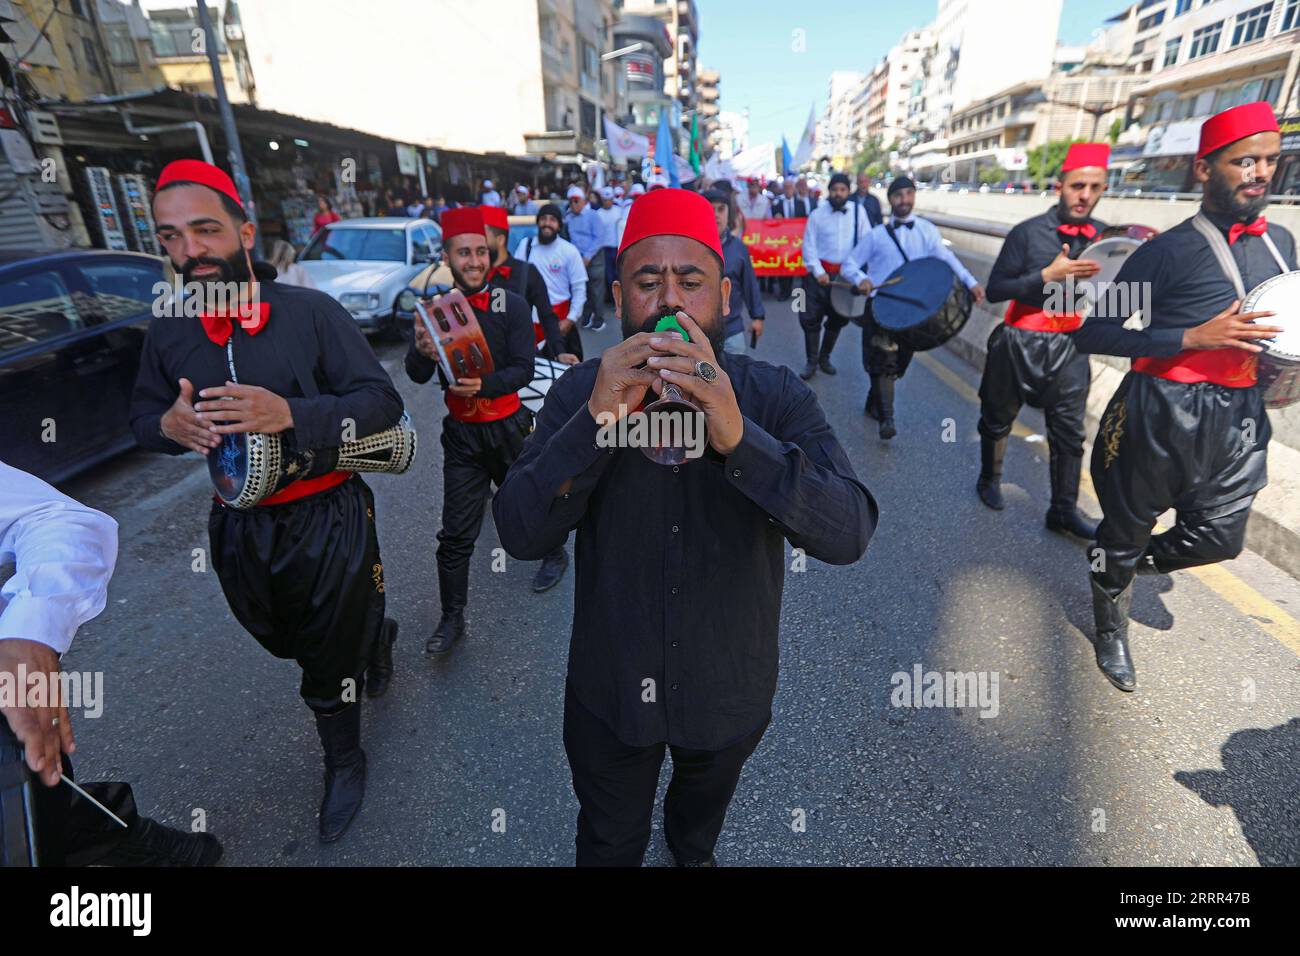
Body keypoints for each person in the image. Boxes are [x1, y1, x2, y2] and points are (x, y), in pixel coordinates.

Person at [492, 187, 877, 866]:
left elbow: (847, 532)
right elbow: (522, 533)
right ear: (619, 298)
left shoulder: (773, 396)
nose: (670, 300)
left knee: (695, 834)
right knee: (609, 842)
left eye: (690, 281)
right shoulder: (579, 391)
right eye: (648, 280)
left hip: (726, 691)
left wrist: (740, 437)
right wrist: (596, 424)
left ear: (724, 298)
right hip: (611, 692)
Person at [129, 159, 404, 843]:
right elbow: (139, 416)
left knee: (322, 655)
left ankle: (344, 759)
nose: (190, 252)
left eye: (204, 230)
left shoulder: (311, 313)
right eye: (171, 237)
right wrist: (166, 427)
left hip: (328, 515)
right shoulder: (167, 329)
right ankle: (375, 633)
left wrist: (292, 413)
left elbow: (380, 402)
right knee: (280, 635)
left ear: (245, 231)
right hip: (239, 523)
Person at [1073, 103, 1293, 692]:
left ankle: (1117, 563)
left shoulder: (1283, 246)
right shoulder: (1166, 252)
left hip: (1241, 415)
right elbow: (1094, 331)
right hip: (1161, 407)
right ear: (1204, 168)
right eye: (1244, 160)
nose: (1260, 172)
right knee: (1126, 526)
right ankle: (1111, 623)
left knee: (1220, 537)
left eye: (1270, 160)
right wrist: (1189, 337)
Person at [0, 461, 224, 866]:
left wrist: (30, 630)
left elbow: (53, 519)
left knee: (43, 805)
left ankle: (135, 839)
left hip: (12, 713)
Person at [405, 208, 535, 658]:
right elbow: (416, 374)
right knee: (456, 534)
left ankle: (554, 552)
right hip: (462, 435)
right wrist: (422, 353)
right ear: (448, 258)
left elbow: (525, 369)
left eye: (481, 251)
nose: (475, 260)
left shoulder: (511, 305)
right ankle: (452, 617)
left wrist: (486, 384)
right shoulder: (433, 312)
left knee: (530, 505)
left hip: (509, 428)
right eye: (465, 253)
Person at [975, 143, 1110, 542]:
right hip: (1019, 340)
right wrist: (1045, 277)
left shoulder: (1105, 238)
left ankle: (1063, 510)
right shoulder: (1027, 233)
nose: (1085, 195)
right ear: (1060, 186)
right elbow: (996, 289)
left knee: (1069, 433)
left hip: (1070, 346)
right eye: (1077, 186)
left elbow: (1121, 296)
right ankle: (989, 479)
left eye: (1095, 187)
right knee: (997, 418)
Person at [842, 177, 985, 440]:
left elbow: (947, 259)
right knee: (883, 359)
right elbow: (849, 264)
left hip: (913, 310)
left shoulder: (927, 230)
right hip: (882, 307)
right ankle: (887, 419)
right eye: (899, 195)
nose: (904, 200)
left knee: (898, 365)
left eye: (909, 194)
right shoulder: (875, 236)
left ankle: (876, 400)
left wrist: (971, 282)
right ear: (890, 199)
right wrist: (861, 279)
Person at [481, 204, 576, 366]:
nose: (478, 245)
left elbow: (547, 315)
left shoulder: (526, 272)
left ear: (500, 240)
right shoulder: (477, 274)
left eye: (483, 238)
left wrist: (560, 352)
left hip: (520, 363)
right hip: (484, 362)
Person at [799, 172, 872, 380]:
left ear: (848, 191)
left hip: (844, 279)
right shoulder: (817, 215)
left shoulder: (859, 212)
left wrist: (858, 275)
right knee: (810, 318)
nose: (838, 193)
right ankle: (811, 362)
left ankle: (825, 358)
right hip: (818, 278)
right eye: (834, 189)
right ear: (828, 191)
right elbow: (809, 246)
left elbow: (867, 244)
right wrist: (818, 271)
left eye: (842, 189)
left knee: (837, 318)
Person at [515, 201, 588, 364]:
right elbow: (515, 282)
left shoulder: (569, 250)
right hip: (529, 324)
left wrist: (570, 319)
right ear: (538, 221)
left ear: (559, 225)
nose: (547, 223)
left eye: (552, 220)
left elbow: (579, 289)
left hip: (560, 323)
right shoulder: (525, 247)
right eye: (544, 218)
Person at [704, 186, 765, 355]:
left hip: (732, 331)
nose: (716, 214)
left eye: (721, 209)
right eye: (710, 209)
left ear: (728, 212)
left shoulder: (738, 249)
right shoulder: (691, 248)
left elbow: (749, 284)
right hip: (698, 334)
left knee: (735, 379)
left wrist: (757, 316)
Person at [565, 185, 606, 331]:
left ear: (583, 201)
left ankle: (599, 318)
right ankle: (587, 316)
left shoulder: (593, 215)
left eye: (576, 201)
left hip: (594, 257)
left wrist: (588, 256)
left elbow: (599, 238)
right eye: (571, 201)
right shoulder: (568, 217)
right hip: (577, 258)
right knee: (583, 288)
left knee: (596, 290)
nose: (574, 204)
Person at [771, 177, 813, 301]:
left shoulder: (801, 204)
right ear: (783, 189)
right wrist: (775, 218)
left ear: (794, 189)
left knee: (801, 267)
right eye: (786, 187)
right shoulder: (777, 205)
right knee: (784, 268)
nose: (788, 190)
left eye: (790, 187)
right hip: (783, 242)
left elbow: (805, 222)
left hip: (798, 242)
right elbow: (771, 225)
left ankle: (803, 294)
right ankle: (785, 292)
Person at [591, 186, 623, 332]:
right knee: (606, 276)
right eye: (605, 200)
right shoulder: (598, 213)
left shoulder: (619, 211)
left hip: (616, 247)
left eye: (609, 200)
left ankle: (618, 300)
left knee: (617, 275)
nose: (607, 202)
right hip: (603, 248)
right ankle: (609, 300)